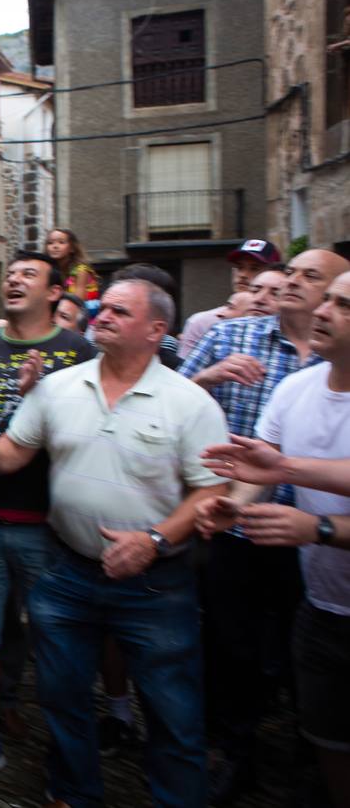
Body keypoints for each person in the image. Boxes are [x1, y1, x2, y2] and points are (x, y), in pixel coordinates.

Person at [0, 278, 229, 808]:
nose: (103, 316)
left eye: (121, 311)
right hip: (69, 574)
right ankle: (74, 793)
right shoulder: (60, 386)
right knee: (63, 698)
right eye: (103, 308)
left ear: (156, 330)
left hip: (157, 585)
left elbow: (210, 492)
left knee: (173, 712)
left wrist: (153, 538)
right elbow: (12, 454)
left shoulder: (189, 403)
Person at [179, 246, 350, 800]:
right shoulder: (280, 375)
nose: (297, 287)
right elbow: (261, 462)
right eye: (291, 273)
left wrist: (313, 523)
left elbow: (280, 463)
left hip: (311, 543)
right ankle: (241, 748)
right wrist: (237, 504)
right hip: (267, 543)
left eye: (319, 284)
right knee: (240, 649)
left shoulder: (320, 367)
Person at [0, 251, 95, 783]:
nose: (13, 278)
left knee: (59, 641)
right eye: (10, 273)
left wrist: (39, 400)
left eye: (28, 274)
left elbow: (89, 434)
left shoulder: (79, 353)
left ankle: (67, 752)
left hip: (46, 526)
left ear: (55, 292)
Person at [178, 239, 284, 358]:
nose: (243, 275)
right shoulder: (202, 322)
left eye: (254, 268)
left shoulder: (286, 323)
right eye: (239, 267)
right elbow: (185, 374)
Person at [44, 227, 99, 318]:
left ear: (72, 248)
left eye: (61, 242)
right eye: (50, 243)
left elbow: (77, 303)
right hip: (61, 316)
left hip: (84, 320)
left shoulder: (81, 271)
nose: (55, 246)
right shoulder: (49, 271)